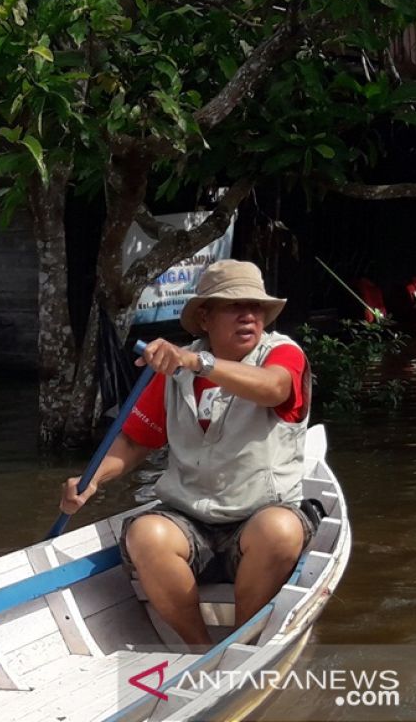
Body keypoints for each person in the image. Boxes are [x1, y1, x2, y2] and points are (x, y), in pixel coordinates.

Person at [59, 259, 317, 646]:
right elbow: (135, 440)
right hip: (190, 519)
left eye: (255, 307)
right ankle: (201, 648)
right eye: (234, 305)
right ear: (206, 317)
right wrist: (92, 480)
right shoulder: (174, 371)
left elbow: (274, 388)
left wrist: (200, 363)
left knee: (279, 530)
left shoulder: (280, 353)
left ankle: (243, 645)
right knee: (146, 535)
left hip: (261, 513)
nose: (248, 315)